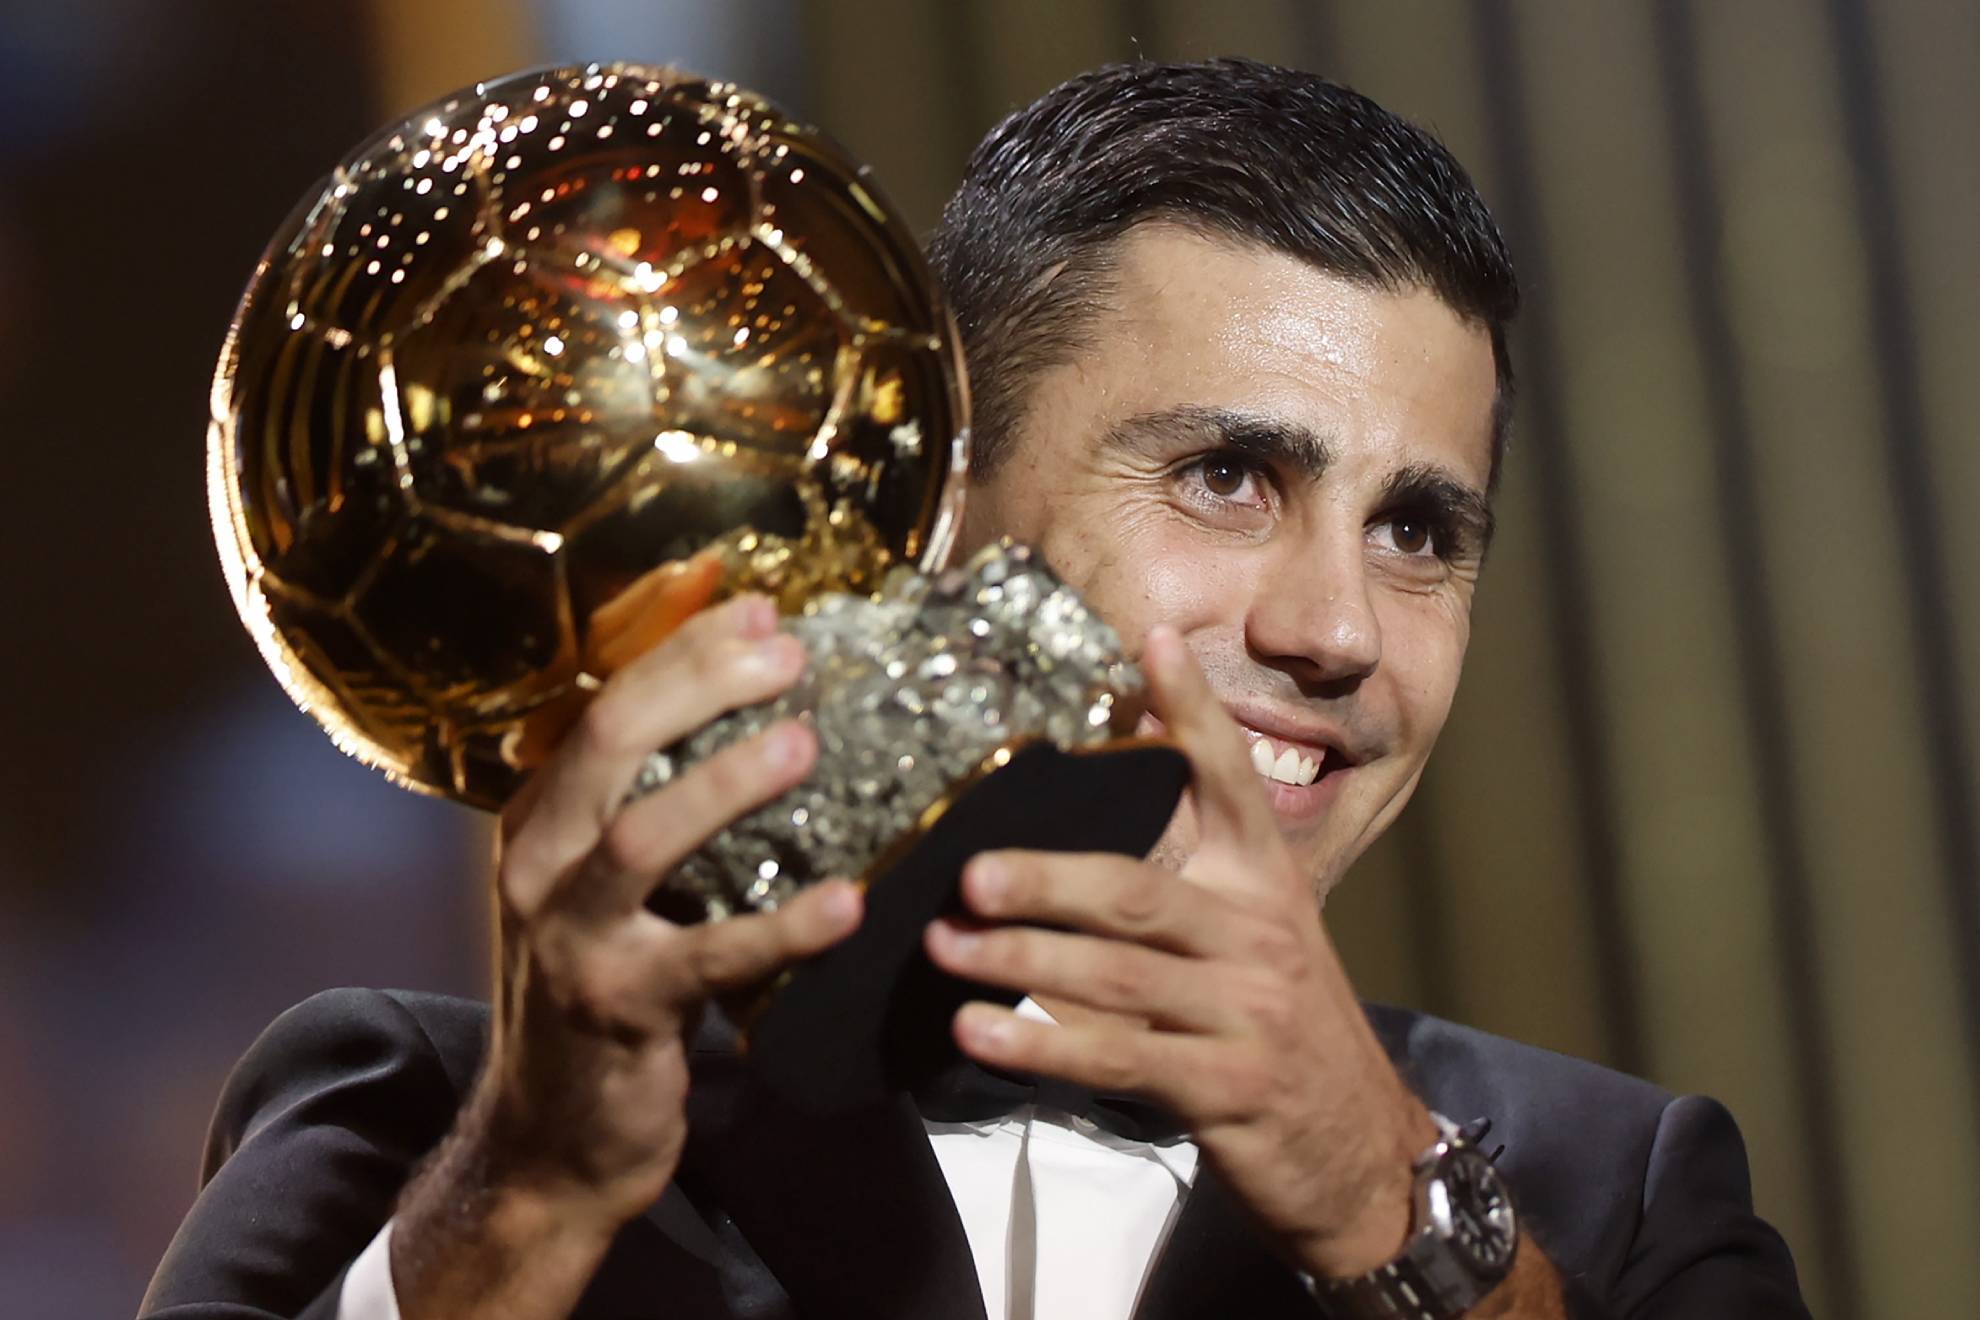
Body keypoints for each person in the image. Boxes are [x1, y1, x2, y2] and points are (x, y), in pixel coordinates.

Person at [141, 58, 1809, 1320]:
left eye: (1420, 531)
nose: (1338, 630)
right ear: (929, 519)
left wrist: (1394, 1202)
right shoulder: (424, 1126)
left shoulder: (1620, 1193)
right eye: (1229, 477)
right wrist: (535, 1191)